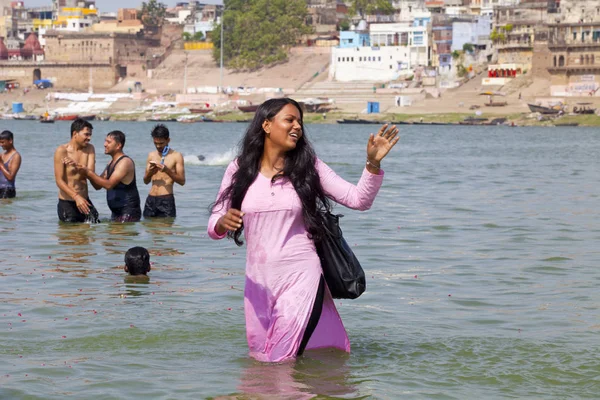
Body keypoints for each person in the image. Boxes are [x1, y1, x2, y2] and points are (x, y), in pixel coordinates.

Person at [207, 98, 399, 363]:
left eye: (300, 121)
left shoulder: (310, 167)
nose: (297, 126)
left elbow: (358, 200)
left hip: (301, 277)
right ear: (266, 125)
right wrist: (221, 223)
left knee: (280, 361)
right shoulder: (240, 169)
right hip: (258, 284)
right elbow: (216, 218)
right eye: (290, 120)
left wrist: (372, 164)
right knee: (260, 360)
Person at [66, 130, 141, 222]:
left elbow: (109, 185)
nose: (105, 144)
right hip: (116, 213)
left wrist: (88, 172)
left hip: (128, 212)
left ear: (118, 145)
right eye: (105, 141)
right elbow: (97, 186)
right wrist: (82, 170)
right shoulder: (111, 162)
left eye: (108, 142)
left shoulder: (125, 162)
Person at [53, 118, 100, 223]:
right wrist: (76, 197)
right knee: (72, 237)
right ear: (75, 134)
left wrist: (76, 165)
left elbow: (91, 173)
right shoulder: (62, 151)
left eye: (90, 135)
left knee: (92, 232)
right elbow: (59, 181)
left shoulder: (90, 149)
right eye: (86, 134)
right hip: (68, 203)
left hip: (85, 201)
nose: (89, 138)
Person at [142, 124, 186, 218]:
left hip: (166, 200)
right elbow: (145, 181)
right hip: (150, 199)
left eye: (161, 143)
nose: (158, 146)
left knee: (165, 231)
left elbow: (182, 181)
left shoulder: (176, 156)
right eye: (155, 143)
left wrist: (167, 170)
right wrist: (150, 173)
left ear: (168, 140)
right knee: (149, 230)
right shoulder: (151, 155)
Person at [0, 130, 21, 199]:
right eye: (0, 142)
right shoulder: (2, 155)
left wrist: (1, 164)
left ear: (10, 141)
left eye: (3, 142)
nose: (1, 145)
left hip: (7, 190)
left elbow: (10, 177)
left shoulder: (16, 156)